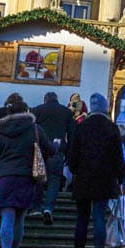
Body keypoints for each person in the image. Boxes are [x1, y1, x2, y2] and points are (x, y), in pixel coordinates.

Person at [0, 95, 54, 248]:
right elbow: (50, 150)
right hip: (26, 178)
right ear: (26, 111)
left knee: (7, 217)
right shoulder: (35, 129)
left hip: (4, 178)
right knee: (20, 219)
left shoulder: (1, 132)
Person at [66, 93, 125, 248]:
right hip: (104, 179)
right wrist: (120, 177)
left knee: (82, 219)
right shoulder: (111, 128)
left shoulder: (82, 127)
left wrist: (75, 169)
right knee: (99, 217)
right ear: (105, 107)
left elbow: (73, 155)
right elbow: (117, 157)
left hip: (84, 178)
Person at [31, 91, 76, 224]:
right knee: (54, 179)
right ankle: (48, 208)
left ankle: (36, 207)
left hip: (40, 149)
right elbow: (72, 134)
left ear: (45, 99)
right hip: (58, 150)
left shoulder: (37, 110)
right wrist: (70, 152)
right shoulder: (66, 112)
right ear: (57, 99)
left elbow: (31, 130)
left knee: (38, 177)